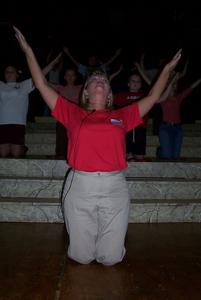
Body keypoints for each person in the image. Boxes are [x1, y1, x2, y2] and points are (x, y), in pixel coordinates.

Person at [14, 26, 181, 266]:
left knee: (110, 259)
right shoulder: (72, 112)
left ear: (110, 93)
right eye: (94, 79)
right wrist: (28, 50)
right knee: (82, 257)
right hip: (80, 184)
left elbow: (154, 96)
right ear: (86, 91)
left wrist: (166, 69)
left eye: (103, 79)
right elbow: (41, 84)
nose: (99, 81)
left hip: (115, 186)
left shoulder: (123, 116)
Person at [0, 54, 62, 158]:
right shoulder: (1, 85)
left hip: (18, 123)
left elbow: (39, 75)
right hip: (2, 123)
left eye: (12, 71)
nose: (9, 73)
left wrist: (53, 63)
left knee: (16, 153)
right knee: (3, 153)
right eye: (7, 71)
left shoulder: (23, 85)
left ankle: (23, 149)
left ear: (17, 74)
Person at [156, 73, 201, 160]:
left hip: (177, 129)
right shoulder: (162, 98)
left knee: (176, 157)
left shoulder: (178, 97)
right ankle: (160, 151)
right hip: (165, 128)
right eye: (172, 84)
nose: (174, 86)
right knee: (167, 156)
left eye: (175, 84)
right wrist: (173, 80)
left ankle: (165, 150)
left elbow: (191, 87)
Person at [114, 72, 148, 162]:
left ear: (141, 84)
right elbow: (106, 98)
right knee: (126, 155)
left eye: (138, 81)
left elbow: (156, 95)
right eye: (133, 81)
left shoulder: (145, 96)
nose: (135, 83)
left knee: (140, 157)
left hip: (141, 127)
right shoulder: (120, 95)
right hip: (126, 127)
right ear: (128, 84)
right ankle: (127, 155)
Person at [50, 67, 82, 159]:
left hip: (76, 118)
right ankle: (60, 155)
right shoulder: (60, 88)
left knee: (76, 138)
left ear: (75, 77)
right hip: (63, 117)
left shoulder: (80, 88)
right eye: (68, 75)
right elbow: (43, 82)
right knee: (61, 137)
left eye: (72, 75)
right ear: (64, 77)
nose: (70, 77)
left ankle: (76, 155)